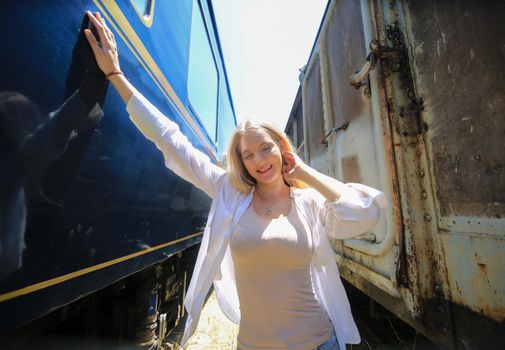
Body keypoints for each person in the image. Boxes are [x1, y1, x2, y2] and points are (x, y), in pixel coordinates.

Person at [84, 11, 386, 350]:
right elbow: (171, 141)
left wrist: (302, 172)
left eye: (266, 148)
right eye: (248, 154)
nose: (258, 160)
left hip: (318, 341)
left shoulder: (308, 202)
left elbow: (363, 215)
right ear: (239, 161)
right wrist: (114, 74)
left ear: (281, 148)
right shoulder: (229, 191)